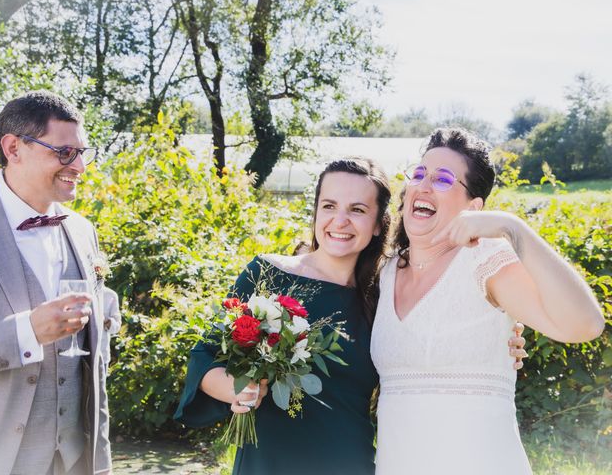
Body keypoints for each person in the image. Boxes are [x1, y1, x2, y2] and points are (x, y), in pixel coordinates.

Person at [175, 158, 526, 475]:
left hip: (347, 461)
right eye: (329, 206)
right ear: (315, 212)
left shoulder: (387, 292)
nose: (339, 221)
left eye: (357, 209)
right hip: (267, 460)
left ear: (377, 224)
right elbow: (204, 356)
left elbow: (442, 333)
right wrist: (239, 390)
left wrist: (503, 337)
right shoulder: (266, 275)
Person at [371, 127, 605, 475]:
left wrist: (514, 229)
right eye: (418, 173)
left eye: (443, 179)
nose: (422, 185)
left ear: (474, 207)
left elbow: (585, 324)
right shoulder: (383, 271)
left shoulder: (485, 261)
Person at [0, 91, 112, 474]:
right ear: (14, 148)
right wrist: (28, 331)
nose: (80, 165)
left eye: (82, 152)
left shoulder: (83, 231)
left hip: (76, 458)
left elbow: (95, 356)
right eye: (65, 153)